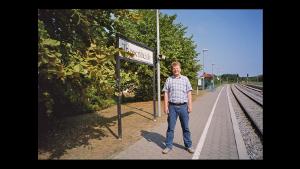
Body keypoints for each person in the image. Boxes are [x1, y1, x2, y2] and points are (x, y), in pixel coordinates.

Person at [162, 61, 195, 154]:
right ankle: (168, 146)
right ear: (172, 70)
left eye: (177, 68)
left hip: (184, 107)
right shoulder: (169, 79)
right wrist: (165, 106)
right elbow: (165, 93)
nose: (176, 70)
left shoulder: (185, 79)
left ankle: (189, 146)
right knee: (170, 128)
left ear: (180, 69)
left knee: (186, 128)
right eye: (174, 68)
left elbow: (189, 93)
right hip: (172, 107)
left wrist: (190, 105)